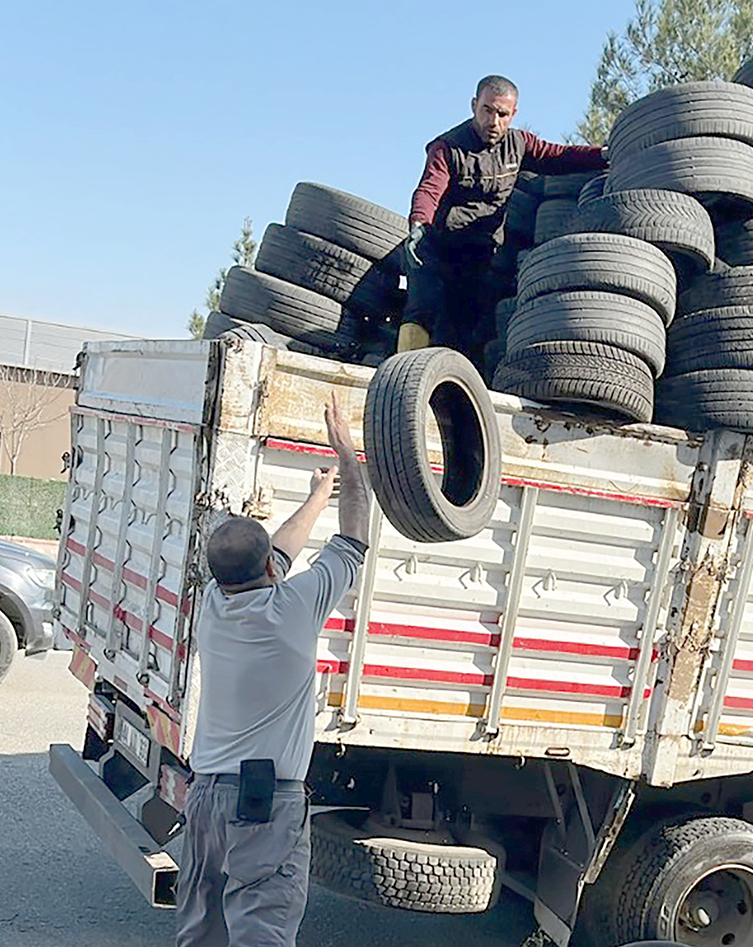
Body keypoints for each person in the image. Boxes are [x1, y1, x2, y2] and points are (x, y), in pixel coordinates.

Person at [175, 393, 369, 947]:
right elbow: (354, 536)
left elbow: (276, 553)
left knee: (201, 934)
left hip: (206, 800)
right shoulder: (293, 609)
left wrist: (317, 496)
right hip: (263, 805)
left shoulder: (213, 605)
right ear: (269, 568)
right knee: (261, 933)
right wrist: (347, 455)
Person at [401, 74, 608, 365]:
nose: (493, 121)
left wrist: (604, 155)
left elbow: (561, 156)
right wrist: (418, 223)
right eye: (487, 110)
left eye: (502, 114)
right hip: (437, 248)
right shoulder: (447, 147)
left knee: (469, 332)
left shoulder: (519, 143)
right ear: (474, 105)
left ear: (513, 114)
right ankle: (401, 375)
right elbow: (429, 188)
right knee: (422, 311)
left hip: (482, 254)